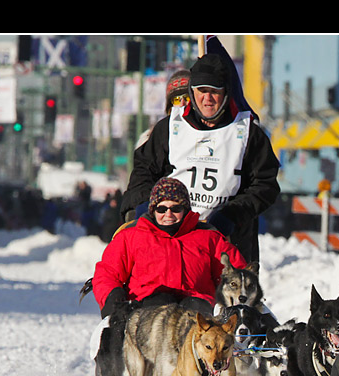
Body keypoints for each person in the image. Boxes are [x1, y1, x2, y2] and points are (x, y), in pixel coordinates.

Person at [120, 53, 281, 263]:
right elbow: (143, 171)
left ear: (226, 93)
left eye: (214, 91)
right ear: (192, 92)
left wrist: (232, 216)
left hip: (227, 240)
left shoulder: (249, 133)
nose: (207, 98)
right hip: (171, 232)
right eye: (202, 91)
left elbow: (265, 185)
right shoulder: (169, 128)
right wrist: (145, 205)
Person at [92, 177, 248, 319]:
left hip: (198, 311)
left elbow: (236, 272)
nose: (168, 214)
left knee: (195, 307)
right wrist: (112, 295)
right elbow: (107, 273)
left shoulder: (208, 238)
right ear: (153, 210)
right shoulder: (131, 237)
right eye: (161, 209)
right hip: (146, 311)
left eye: (175, 209)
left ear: (185, 209)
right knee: (160, 302)